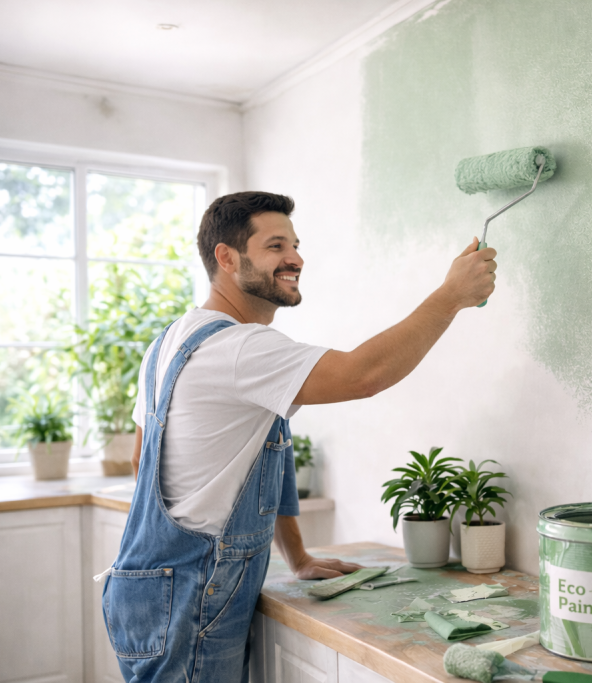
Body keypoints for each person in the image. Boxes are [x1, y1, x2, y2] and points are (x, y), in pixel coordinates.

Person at [98, 191, 497, 682]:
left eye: (295, 244)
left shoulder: (170, 342)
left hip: (146, 587)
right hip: (190, 596)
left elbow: (162, 463)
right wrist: (450, 295)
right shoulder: (239, 348)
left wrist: (298, 557)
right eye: (275, 246)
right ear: (226, 257)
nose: (295, 258)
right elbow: (363, 374)